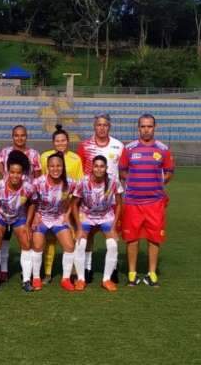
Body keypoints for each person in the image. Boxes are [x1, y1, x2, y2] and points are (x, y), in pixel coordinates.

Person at [119, 114, 174, 287]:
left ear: (154, 127)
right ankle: (132, 274)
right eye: (143, 126)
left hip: (155, 203)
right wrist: (135, 182)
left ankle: (152, 274)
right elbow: (122, 171)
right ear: (138, 128)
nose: (146, 129)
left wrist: (157, 184)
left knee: (154, 239)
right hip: (132, 202)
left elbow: (169, 171)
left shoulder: (163, 149)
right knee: (132, 239)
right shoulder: (129, 149)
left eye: (149, 126)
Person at [77, 113, 124, 282]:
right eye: (99, 125)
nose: (102, 128)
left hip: (111, 199)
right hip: (90, 198)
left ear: (109, 126)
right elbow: (80, 171)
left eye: (105, 125)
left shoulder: (119, 146)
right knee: (87, 235)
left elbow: (123, 171)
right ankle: (87, 269)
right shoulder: (85, 146)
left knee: (112, 234)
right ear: (94, 126)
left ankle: (113, 270)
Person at [0, 125, 42, 283]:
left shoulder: (34, 154)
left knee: (25, 238)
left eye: (22, 135)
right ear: (12, 136)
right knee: (4, 237)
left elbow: (37, 177)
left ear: (26, 136)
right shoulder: (5, 152)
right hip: (7, 200)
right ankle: (3, 269)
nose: (19, 138)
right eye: (16, 135)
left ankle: (27, 273)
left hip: (26, 200)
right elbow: (1, 169)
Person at [0, 150, 37, 293]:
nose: (15, 175)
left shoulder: (28, 187)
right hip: (1, 217)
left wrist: (27, 224)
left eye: (18, 173)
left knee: (27, 241)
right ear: (8, 172)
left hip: (18, 217)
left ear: (22, 174)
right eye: (12, 172)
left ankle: (26, 280)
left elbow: (33, 203)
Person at [72, 155, 123, 291]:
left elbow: (119, 204)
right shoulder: (83, 182)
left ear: (106, 168)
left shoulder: (113, 181)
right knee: (80, 243)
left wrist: (113, 226)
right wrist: (78, 227)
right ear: (92, 168)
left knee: (112, 245)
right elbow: (74, 205)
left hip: (106, 216)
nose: (99, 169)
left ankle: (106, 279)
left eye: (102, 166)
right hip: (86, 216)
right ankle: (81, 279)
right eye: (96, 166)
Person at [40, 124, 84, 284]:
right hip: (50, 206)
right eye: (57, 141)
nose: (60, 143)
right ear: (53, 143)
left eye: (63, 140)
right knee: (50, 239)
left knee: (72, 237)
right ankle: (47, 272)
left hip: (69, 205)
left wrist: (73, 206)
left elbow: (79, 183)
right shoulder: (45, 157)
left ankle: (72, 272)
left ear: (67, 141)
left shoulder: (75, 159)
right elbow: (42, 180)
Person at [31, 153, 78, 292]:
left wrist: (67, 215)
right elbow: (30, 201)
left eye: (58, 166)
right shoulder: (38, 182)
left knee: (69, 246)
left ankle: (65, 279)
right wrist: (35, 215)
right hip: (42, 217)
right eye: (52, 166)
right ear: (47, 167)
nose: (55, 169)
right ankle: (36, 278)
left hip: (58, 218)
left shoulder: (70, 182)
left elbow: (76, 197)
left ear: (63, 167)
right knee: (38, 246)